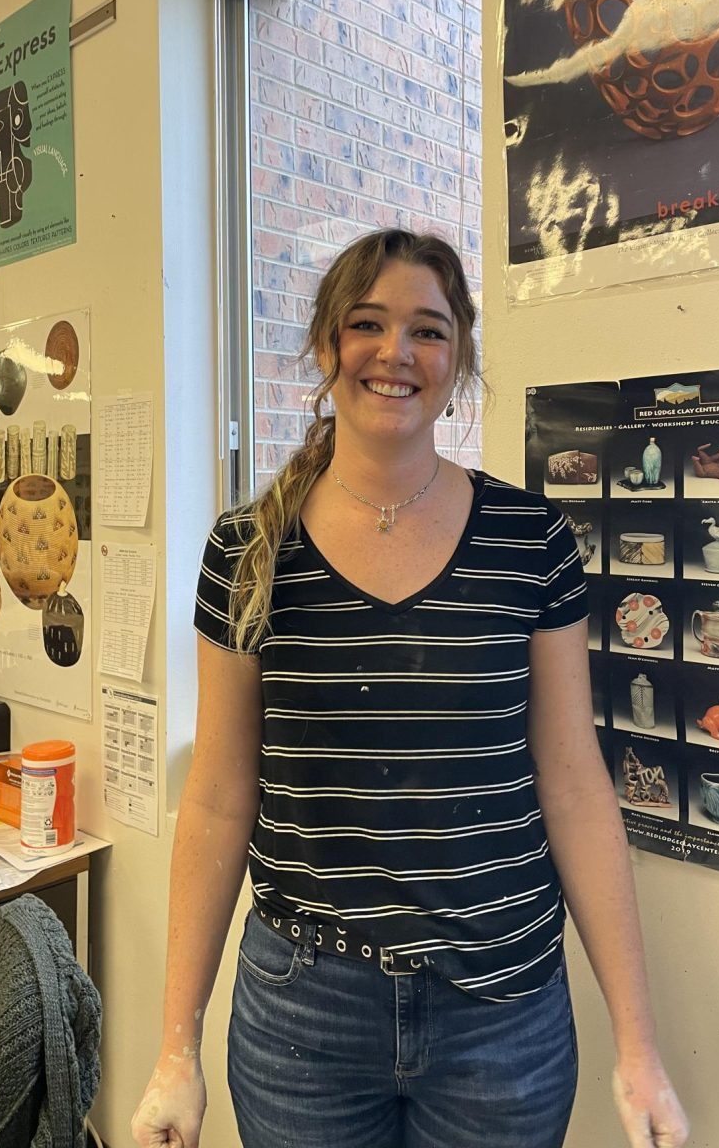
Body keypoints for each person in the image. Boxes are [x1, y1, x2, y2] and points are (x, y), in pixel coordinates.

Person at [131, 229, 689, 1148]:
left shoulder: (530, 541)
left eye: (428, 330)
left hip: (503, 1016)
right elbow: (222, 798)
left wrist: (641, 1049)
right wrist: (173, 1050)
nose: (396, 353)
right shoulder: (245, 553)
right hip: (302, 1016)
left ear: (459, 355)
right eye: (368, 324)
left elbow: (576, 787)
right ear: (326, 347)